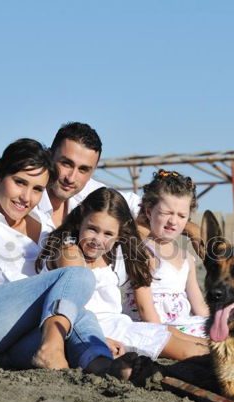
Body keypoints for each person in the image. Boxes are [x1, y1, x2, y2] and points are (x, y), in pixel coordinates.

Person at [0, 138, 143, 381]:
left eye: (38, 189)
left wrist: (93, 333)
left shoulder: (42, 226)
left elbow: (55, 299)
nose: (26, 197)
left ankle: (102, 364)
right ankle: (52, 348)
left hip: (4, 339)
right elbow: (18, 285)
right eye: (19, 182)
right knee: (76, 279)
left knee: (79, 317)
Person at [36, 187, 209, 361]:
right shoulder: (70, 251)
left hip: (121, 325)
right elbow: (72, 305)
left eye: (108, 233)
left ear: (119, 235)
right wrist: (101, 339)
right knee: (186, 350)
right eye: (92, 229)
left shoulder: (112, 253)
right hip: (96, 331)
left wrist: (187, 226)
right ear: (80, 221)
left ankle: (231, 353)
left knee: (181, 335)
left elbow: (146, 224)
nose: (98, 239)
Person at [32, 121, 204, 256]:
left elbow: (137, 206)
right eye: (66, 163)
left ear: (93, 170)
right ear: (49, 155)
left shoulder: (90, 193)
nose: (71, 177)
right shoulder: (24, 198)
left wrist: (192, 230)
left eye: (83, 169)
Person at [124, 169, 209, 337]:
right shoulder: (143, 251)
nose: (173, 221)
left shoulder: (186, 258)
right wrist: (164, 336)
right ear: (149, 211)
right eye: (166, 213)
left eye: (181, 215)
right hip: (152, 327)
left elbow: (199, 305)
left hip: (181, 325)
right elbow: (144, 308)